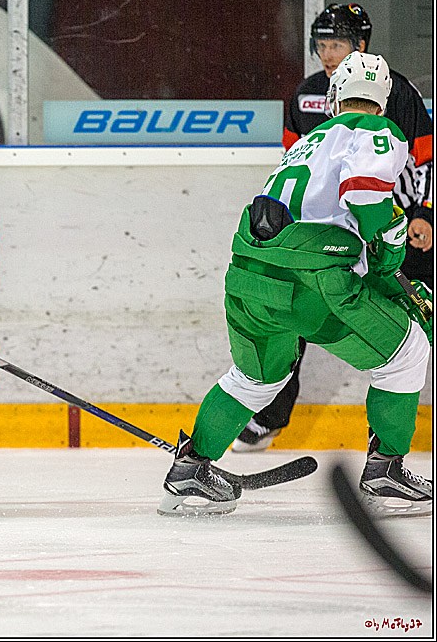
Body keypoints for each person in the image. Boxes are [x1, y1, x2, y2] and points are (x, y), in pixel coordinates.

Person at [159, 52, 432, 517]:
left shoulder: (307, 143)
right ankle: (385, 470)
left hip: (250, 274)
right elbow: (366, 201)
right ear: (382, 100)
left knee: (256, 377)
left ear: (334, 96)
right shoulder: (381, 132)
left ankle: (192, 468)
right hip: (313, 282)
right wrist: (391, 268)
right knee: (407, 353)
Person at [233, 3, 434, 452]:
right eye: (322, 43)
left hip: (394, 227)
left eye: (337, 43)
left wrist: (424, 213)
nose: (328, 52)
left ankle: (389, 441)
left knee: (419, 322)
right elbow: (293, 164)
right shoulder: (305, 95)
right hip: (335, 239)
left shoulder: (396, 91)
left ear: (360, 45)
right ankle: (270, 416)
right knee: (295, 315)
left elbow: (425, 158)